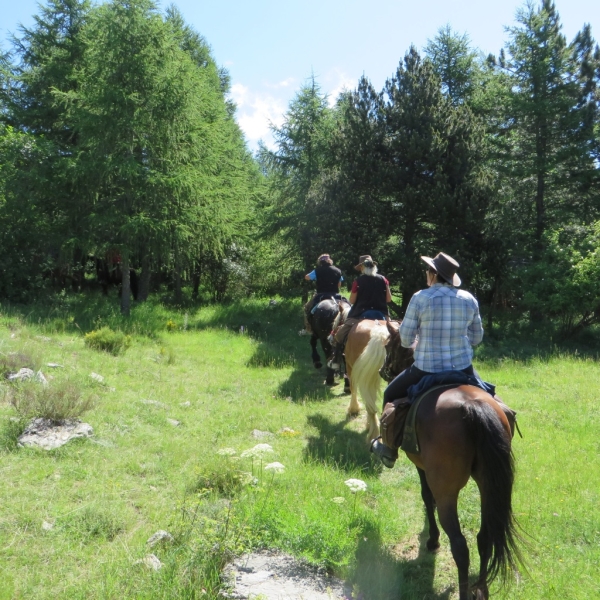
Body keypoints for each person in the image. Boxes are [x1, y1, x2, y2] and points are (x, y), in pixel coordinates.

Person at [382, 251, 483, 406]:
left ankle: (386, 431)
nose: (426, 273)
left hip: (426, 368)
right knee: (490, 396)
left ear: (433, 274)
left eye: (428, 270)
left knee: (389, 394)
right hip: (462, 368)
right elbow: (476, 339)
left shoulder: (420, 297)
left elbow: (406, 339)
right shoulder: (469, 299)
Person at [328, 255, 392, 369]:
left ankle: (336, 360)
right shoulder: (384, 280)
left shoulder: (358, 281)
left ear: (362, 267)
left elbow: (352, 300)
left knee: (339, 335)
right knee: (396, 335)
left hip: (360, 313)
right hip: (382, 314)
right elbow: (388, 299)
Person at [303, 254, 343, 333]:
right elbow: (339, 284)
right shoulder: (338, 270)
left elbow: (307, 277)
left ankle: (309, 327)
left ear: (320, 262)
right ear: (330, 261)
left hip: (321, 295)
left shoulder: (317, 270)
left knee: (307, 308)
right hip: (335, 295)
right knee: (347, 307)